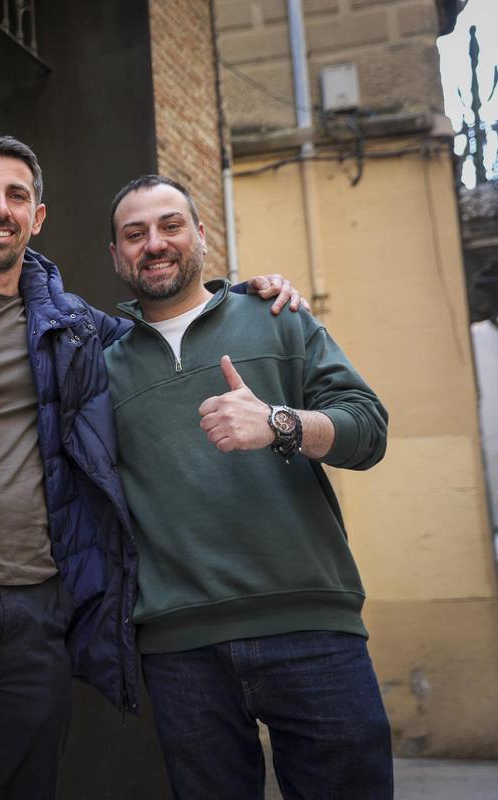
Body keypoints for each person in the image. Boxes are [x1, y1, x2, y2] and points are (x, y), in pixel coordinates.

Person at [0, 137, 303, 798]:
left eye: (17, 196)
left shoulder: (74, 326)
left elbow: (168, 332)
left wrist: (241, 295)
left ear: (37, 218)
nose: (0, 209)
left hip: (41, 612)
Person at [104, 174, 392, 799]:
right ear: (116, 255)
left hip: (311, 628)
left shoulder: (276, 319)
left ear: (201, 237)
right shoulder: (105, 367)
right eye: (135, 234)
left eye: (170, 226)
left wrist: (280, 423)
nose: (154, 243)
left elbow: (369, 429)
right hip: (181, 650)